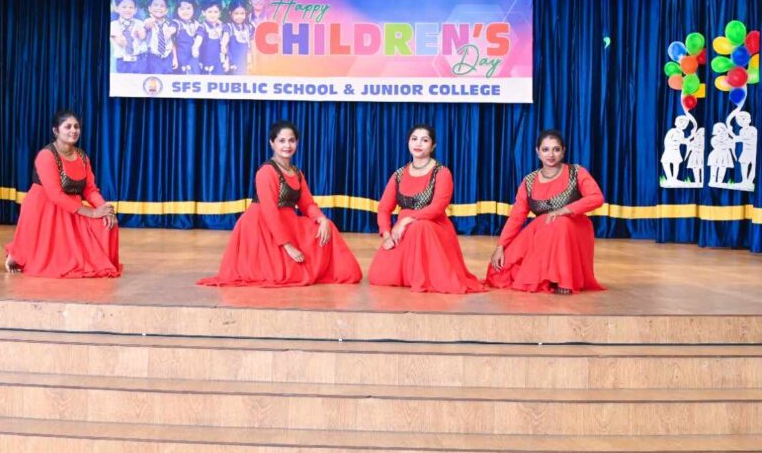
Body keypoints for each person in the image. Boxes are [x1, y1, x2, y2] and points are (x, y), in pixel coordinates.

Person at [199, 120, 361, 287]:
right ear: (272, 143)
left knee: (327, 228)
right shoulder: (266, 172)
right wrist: (288, 246)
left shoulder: (297, 173)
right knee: (285, 274)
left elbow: (307, 204)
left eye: (291, 140)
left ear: (297, 142)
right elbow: (269, 212)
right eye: (282, 141)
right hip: (262, 227)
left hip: (288, 222)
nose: (287, 145)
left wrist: (322, 219)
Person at [367, 125, 484, 294]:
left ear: (433, 146)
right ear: (408, 142)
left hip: (432, 228)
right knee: (378, 277)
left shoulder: (441, 173)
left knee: (420, 226)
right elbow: (384, 208)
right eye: (414, 139)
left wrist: (406, 220)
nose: (418, 143)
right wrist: (386, 234)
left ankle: (426, 276)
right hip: (403, 233)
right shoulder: (398, 174)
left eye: (425, 140)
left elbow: (438, 207)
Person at [486, 129, 605, 294]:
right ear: (538, 152)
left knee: (561, 223)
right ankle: (547, 275)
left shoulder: (576, 172)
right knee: (498, 272)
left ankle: (564, 279)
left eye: (556, 149)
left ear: (563, 151)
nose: (551, 155)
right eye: (545, 149)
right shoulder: (529, 181)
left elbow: (597, 198)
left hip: (573, 230)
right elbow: (516, 217)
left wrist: (565, 210)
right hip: (542, 231)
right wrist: (501, 246)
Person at [5, 109, 120, 278]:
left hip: (72, 208)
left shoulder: (82, 156)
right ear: (56, 131)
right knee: (59, 262)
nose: (73, 130)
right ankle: (17, 255)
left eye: (76, 126)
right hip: (45, 209)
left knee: (107, 223)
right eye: (68, 127)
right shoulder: (46, 155)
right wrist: (93, 212)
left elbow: (89, 189)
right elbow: (55, 195)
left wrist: (104, 209)